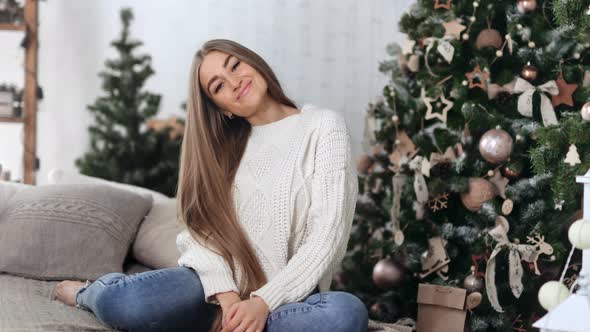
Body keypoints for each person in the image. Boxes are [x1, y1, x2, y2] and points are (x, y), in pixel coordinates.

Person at [54, 38, 367, 332]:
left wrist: (262, 303)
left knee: (346, 313)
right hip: (210, 292)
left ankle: (235, 326)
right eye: (218, 86)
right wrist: (227, 296)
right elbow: (201, 231)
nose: (234, 82)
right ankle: (88, 293)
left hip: (285, 302)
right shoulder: (223, 150)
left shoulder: (323, 126)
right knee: (125, 302)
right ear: (221, 108)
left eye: (235, 65)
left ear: (253, 63)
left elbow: (327, 235)